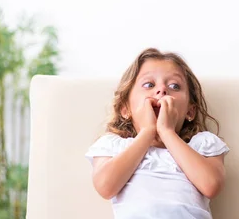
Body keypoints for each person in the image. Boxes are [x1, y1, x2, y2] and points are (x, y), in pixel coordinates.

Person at [85, 48, 229, 219]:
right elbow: (105, 186)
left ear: (190, 111)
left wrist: (167, 132)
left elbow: (211, 186)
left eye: (174, 86)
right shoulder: (114, 145)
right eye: (149, 85)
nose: (162, 90)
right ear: (125, 109)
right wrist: (147, 132)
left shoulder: (201, 144)